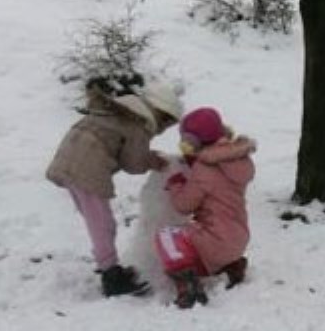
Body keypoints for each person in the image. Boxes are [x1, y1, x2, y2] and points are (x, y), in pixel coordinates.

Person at [46, 79, 181, 297]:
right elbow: (133, 163)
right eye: (167, 123)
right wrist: (151, 161)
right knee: (103, 224)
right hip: (86, 167)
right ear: (160, 114)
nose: (163, 129)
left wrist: (147, 157)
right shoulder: (140, 123)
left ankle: (107, 265)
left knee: (95, 220)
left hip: (68, 160)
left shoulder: (122, 109)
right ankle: (111, 277)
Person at [155, 107, 256, 309]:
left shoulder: (205, 168)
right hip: (239, 239)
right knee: (210, 236)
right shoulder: (238, 159)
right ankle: (232, 267)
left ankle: (188, 285)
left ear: (192, 143)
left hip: (215, 242)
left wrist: (176, 185)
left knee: (167, 236)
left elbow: (184, 205)